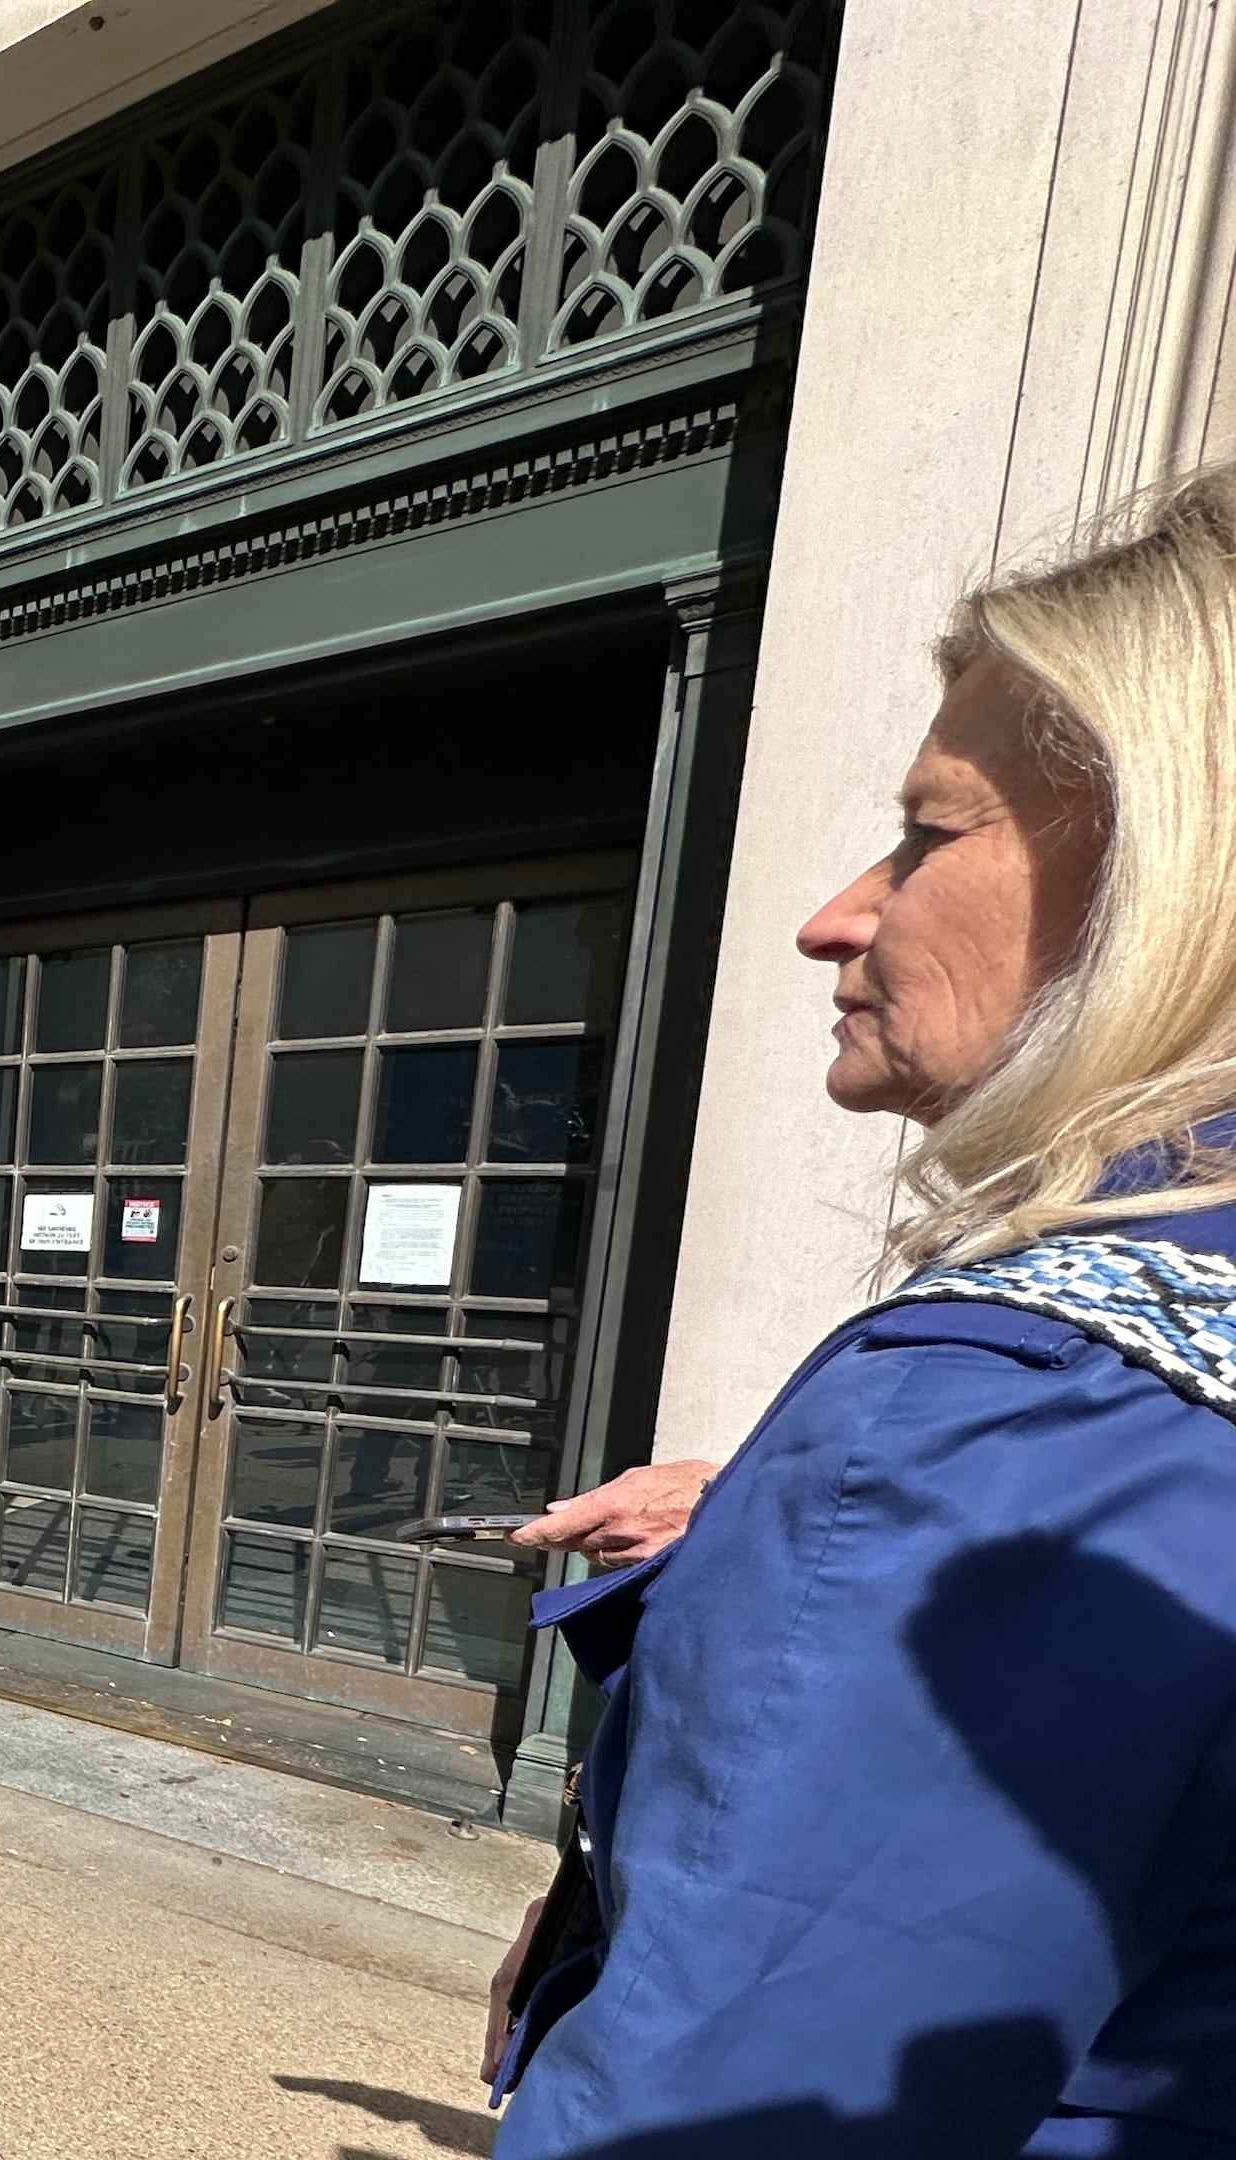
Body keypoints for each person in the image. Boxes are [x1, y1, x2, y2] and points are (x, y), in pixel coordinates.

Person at [491, 478, 1236, 2154]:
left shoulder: (1010, 1412)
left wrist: (872, 1524)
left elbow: (734, 2112)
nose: (838, 914)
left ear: (1176, 856)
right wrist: (771, 1528)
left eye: (928, 834)